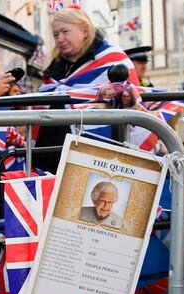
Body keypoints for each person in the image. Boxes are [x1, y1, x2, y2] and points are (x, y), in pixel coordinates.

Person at [34, 7, 138, 171]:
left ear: (84, 30)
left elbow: (135, 99)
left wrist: (128, 98)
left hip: (97, 152)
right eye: (55, 34)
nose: (60, 39)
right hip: (51, 152)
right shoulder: (53, 69)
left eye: (65, 31)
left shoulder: (112, 58)